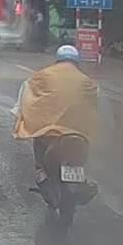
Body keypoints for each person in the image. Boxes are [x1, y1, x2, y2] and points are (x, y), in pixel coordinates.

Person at [13, 45, 99, 180]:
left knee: (39, 136)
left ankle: (41, 170)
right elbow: (95, 103)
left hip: (51, 132)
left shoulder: (43, 75)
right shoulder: (87, 81)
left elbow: (29, 91)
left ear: (58, 59)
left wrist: (22, 113)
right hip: (78, 132)